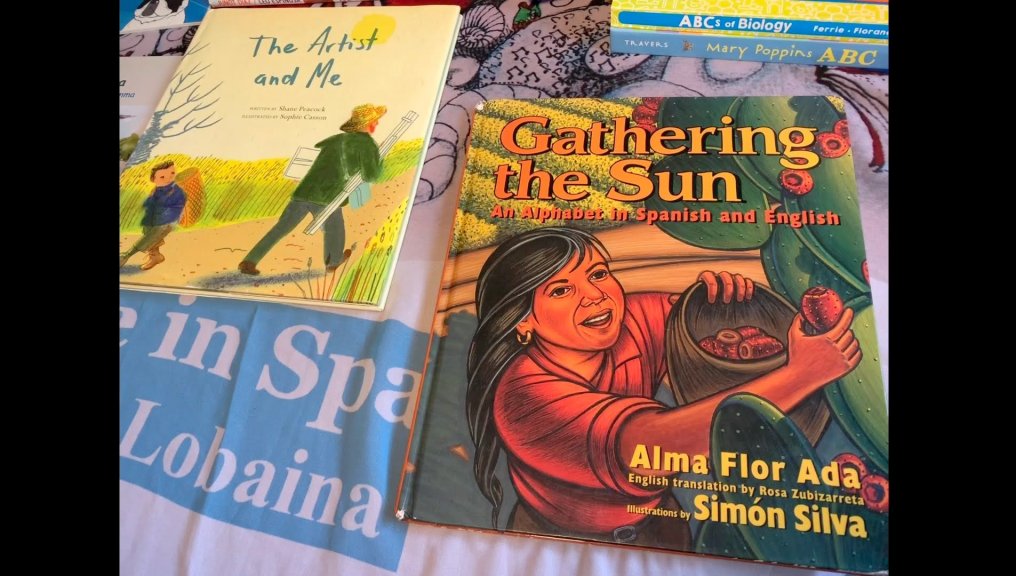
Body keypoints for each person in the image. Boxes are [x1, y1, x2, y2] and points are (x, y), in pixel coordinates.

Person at [466, 227, 861, 549]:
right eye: (560, 290)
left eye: (598, 274)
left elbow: (686, 317)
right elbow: (650, 448)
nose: (595, 296)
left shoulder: (631, 320)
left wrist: (716, 299)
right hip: (563, 546)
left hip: (663, 527)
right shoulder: (524, 400)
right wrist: (801, 375)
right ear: (522, 322)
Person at [238, 103, 385, 276]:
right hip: (328, 195)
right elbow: (371, 175)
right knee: (334, 227)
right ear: (367, 123)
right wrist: (380, 159)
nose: (377, 124)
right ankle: (333, 262)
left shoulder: (336, 140)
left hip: (304, 192)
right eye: (375, 121)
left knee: (281, 228)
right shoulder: (367, 144)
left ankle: (250, 260)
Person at [120, 160, 186, 271]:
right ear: (153, 179)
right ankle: (155, 256)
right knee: (147, 227)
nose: (168, 178)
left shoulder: (176, 191)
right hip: (156, 219)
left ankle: (127, 255)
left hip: (169, 220)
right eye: (162, 177)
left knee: (156, 231)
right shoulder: (156, 190)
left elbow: (177, 207)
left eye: (172, 173)